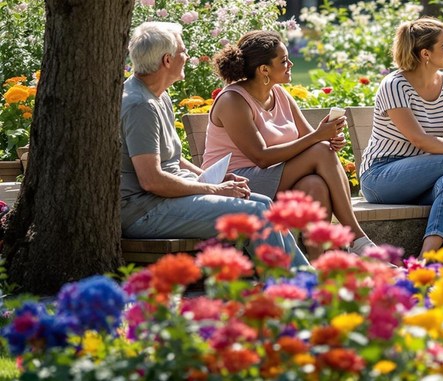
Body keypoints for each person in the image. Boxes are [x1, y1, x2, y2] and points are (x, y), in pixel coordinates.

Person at [120, 22, 306, 267]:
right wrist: (214, 190)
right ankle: (290, 284)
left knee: (263, 203)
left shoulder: (158, 95)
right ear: (167, 60)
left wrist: (212, 178)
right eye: (183, 51)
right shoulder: (140, 105)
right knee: (255, 213)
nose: (187, 56)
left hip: (166, 201)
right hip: (145, 211)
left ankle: (302, 277)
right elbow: (151, 181)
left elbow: (171, 158)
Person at [203, 30, 376, 255]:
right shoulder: (232, 100)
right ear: (264, 70)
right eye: (284, 61)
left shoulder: (280, 94)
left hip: (271, 178)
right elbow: (261, 157)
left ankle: (320, 262)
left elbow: (312, 141)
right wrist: (318, 137)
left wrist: (329, 136)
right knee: (321, 151)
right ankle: (356, 239)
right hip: (235, 182)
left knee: (314, 185)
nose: (291, 64)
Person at [359, 18, 443, 255]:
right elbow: (420, 140)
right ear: (425, 53)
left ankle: (427, 258)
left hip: (422, 177)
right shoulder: (394, 85)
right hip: (381, 176)